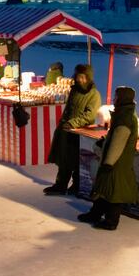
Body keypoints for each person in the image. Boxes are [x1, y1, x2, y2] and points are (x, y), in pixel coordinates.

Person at [78, 86, 139, 230]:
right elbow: (114, 137)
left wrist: (109, 162)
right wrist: (105, 141)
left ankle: (111, 221)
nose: (114, 99)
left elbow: (119, 141)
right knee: (103, 188)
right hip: (114, 160)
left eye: (116, 96)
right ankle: (95, 213)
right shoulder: (123, 114)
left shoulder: (125, 117)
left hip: (117, 161)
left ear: (122, 99)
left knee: (114, 191)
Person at [44, 64, 101, 195]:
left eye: (82, 77)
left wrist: (73, 123)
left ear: (88, 78)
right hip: (66, 130)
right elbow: (69, 109)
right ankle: (60, 185)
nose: (79, 79)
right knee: (64, 160)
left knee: (76, 161)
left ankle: (76, 186)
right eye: (78, 76)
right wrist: (64, 124)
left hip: (79, 133)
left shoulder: (94, 95)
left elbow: (89, 115)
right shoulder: (74, 90)